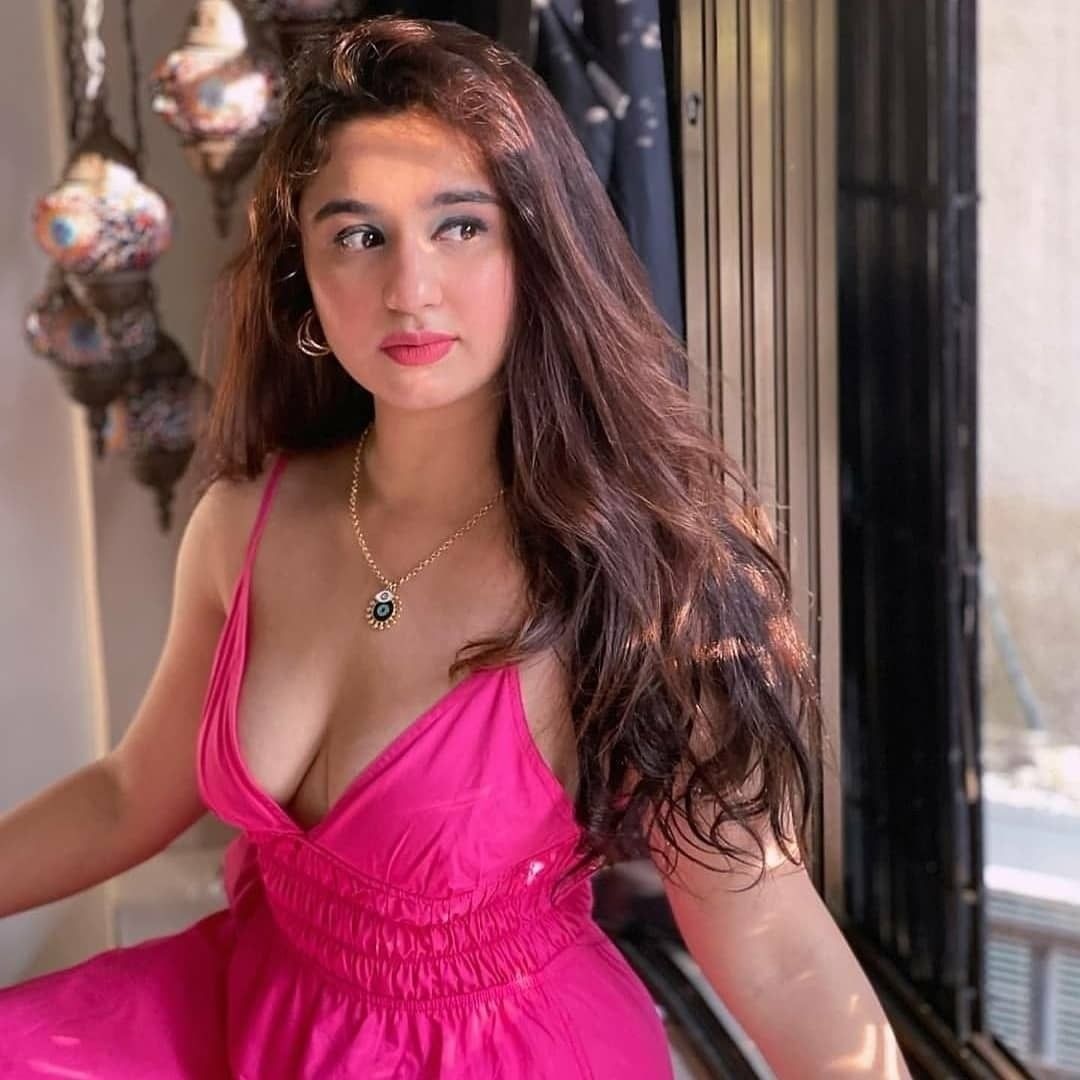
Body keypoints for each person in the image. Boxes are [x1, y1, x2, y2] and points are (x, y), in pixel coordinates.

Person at [0, 16, 911, 1080]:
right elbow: (127, 797)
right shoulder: (244, 521)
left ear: (538, 249)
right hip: (254, 1006)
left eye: (461, 226)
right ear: (303, 277)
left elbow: (775, 944)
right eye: (358, 235)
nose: (409, 288)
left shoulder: (634, 568)